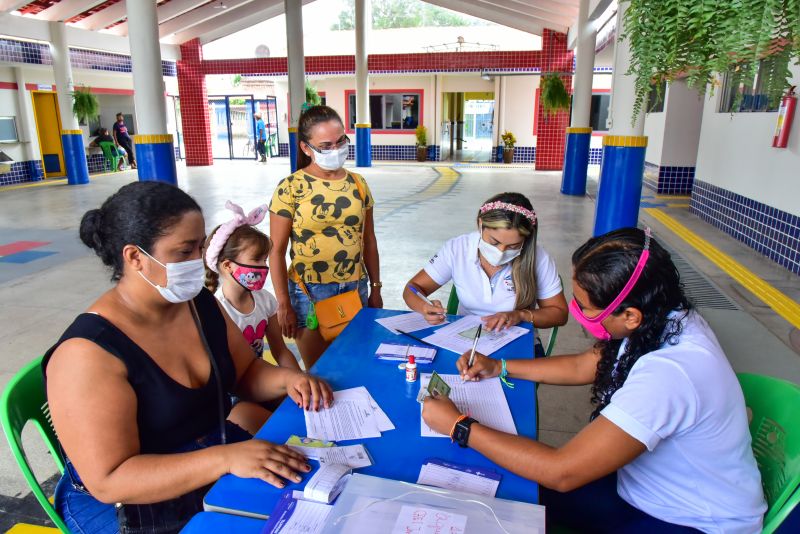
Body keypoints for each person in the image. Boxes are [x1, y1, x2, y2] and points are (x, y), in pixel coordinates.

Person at [421, 228, 766, 533]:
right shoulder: (666, 316)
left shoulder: (670, 373)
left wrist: (459, 425)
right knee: (509, 486)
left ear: (630, 315)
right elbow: (587, 364)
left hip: (688, 520)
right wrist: (500, 367)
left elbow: (563, 472)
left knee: (510, 493)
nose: (576, 312)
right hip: (642, 488)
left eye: (585, 307)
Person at [45, 182, 333, 534]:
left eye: (200, 247)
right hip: (123, 502)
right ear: (135, 257)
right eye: (183, 252)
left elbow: (246, 372)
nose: (198, 261)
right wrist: (225, 459)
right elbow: (110, 480)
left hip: (206, 451)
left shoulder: (198, 305)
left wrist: (290, 379)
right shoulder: (87, 355)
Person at [269, 105, 382, 369]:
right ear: (306, 148)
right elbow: (275, 250)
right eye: (326, 145)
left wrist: (375, 288)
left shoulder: (358, 184)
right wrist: (283, 303)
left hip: (355, 288)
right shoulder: (291, 187)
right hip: (309, 294)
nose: (336, 149)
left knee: (354, 366)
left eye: (341, 141)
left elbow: (369, 241)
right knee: (320, 372)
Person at [403, 192, 567, 357]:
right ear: (480, 224)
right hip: (463, 342)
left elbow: (559, 313)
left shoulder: (539, 258)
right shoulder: (458, 249)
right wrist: (424, 307)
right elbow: (412, 289)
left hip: (517, 344)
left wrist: (520, 315)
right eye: (494, 242)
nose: (501, 252)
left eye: (513, 246)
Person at [204, 200, 302, 432]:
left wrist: (298, 381)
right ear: (228, 265)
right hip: (231, 397)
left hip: (261, 381)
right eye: (256, 260)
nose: (264, 267)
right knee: (278, 428)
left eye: (265, 260)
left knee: (301, 407)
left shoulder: (265, 300)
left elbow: (280, 351)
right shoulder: (217, 310)